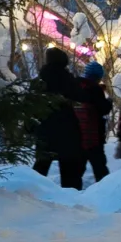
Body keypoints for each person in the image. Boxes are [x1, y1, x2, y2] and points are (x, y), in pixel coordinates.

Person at [31, 47, 87, 190]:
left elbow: (30, 104)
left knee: (42, 164)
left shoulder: (39, 80)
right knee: (69, 166)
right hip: (66, 127)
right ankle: (71, 196)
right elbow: (79, 97)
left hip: (44, 126)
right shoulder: (67, 78)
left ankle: (31, 191)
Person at [73, 61, 113, 184]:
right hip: (93, 134)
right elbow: (102, 109)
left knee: (77, 169)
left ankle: (73, 193)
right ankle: (105, 190)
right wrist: (108, 102)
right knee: (99, 167)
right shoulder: (95, 89)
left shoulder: (75, 86)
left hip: (76, 133)